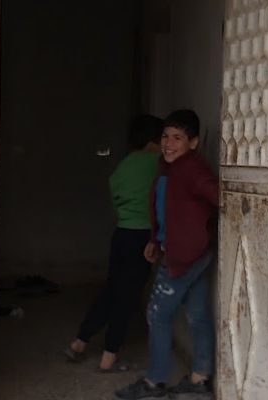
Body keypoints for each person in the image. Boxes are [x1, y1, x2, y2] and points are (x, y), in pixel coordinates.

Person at [114, 110, 218, 399]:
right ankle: (199, 380)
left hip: (185, 256)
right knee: (197, 315)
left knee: (157, 315)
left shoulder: (193, 170)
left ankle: (155, 382)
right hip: (186, 251)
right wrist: (155, 239)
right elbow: (164, 209)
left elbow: (219, 197)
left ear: (194, 142)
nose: (168, 144)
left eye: (178, 138)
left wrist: (195, 235)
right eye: (164, 136)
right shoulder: (167, 167)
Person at [65, 115, 163, 372]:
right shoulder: (159, 163)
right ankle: (110, 356)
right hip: (142, 238)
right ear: (155, 139)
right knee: (127, 298)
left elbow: (115, 197)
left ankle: (79, 342)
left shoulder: (123, 166)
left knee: (112, 291)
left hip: (121, 235)